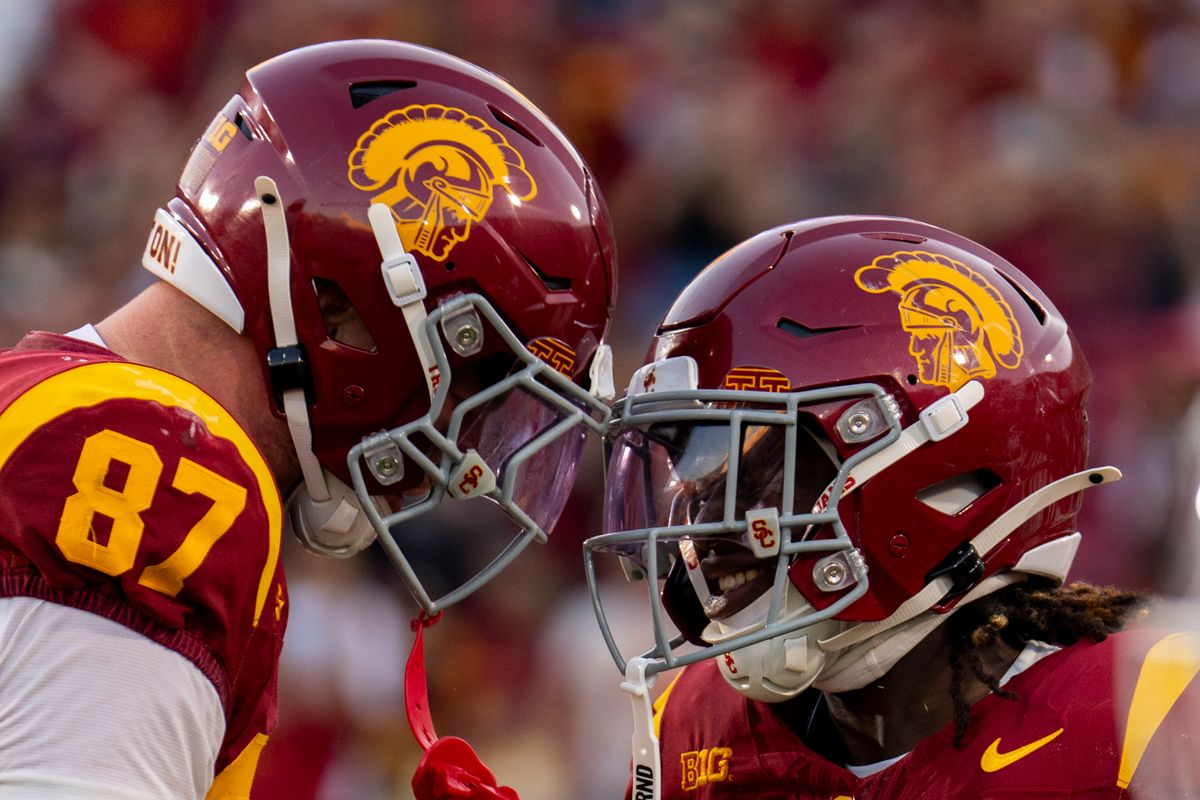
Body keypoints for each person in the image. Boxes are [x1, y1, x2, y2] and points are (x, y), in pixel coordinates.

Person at [0, 39, 616, 800]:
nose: (461, 452)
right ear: (337, 306)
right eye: (471, 380)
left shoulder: (46, 395)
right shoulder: (155, 462)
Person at [584, 215, 1199, 798]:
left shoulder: (1146, 714)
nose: (703, 519)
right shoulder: (695, 727)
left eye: (754, 466)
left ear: (940, 474)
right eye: (694, 473)